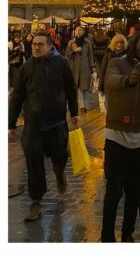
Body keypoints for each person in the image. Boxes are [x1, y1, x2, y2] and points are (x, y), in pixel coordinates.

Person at [8, 32, 79, 222]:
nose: (36, 47)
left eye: (40, 44)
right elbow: (17, 96)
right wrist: (11, 122)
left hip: (56, 122)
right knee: (33, 161)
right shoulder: (26, 67)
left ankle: (59, 172)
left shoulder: (62, 63)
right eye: (34, 45)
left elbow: (71, 89)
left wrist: (75, 113)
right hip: (33, 124)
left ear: (50, 46)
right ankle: (36, 201)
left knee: (60, 155)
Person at [102, 31, 140, 242]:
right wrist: (128, 79)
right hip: (117, 134)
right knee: (114, 189)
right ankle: (107, 236)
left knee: (134, 190)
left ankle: (127, 235)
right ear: (134, 43)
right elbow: (109, 81)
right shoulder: (118, 62)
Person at [66, 25, 97, 112]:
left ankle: (85, 104)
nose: (78, 32)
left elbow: (90, 56)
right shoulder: (71, 42)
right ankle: (82, 105)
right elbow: (67, 55)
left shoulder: (87, 42)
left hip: (85, 68)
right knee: (77, 87)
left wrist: (92, 67)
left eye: (80, 30)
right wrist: (74, 51)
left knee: (85, 87)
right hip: (74, 68)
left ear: (83, 32)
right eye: (76, 30)